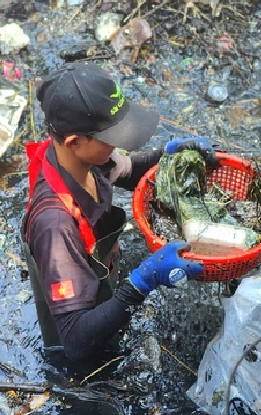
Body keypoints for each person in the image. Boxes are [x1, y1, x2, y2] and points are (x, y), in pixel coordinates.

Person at [21, 63, 219, 361]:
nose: (117, 146)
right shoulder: (55, 225)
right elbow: (74, 340)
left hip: (99, 279)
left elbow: (128, 170)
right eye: (112, 137)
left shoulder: (84, 159)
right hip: (80, 336)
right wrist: (142, 282)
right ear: (75, 142)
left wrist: (168, 157)